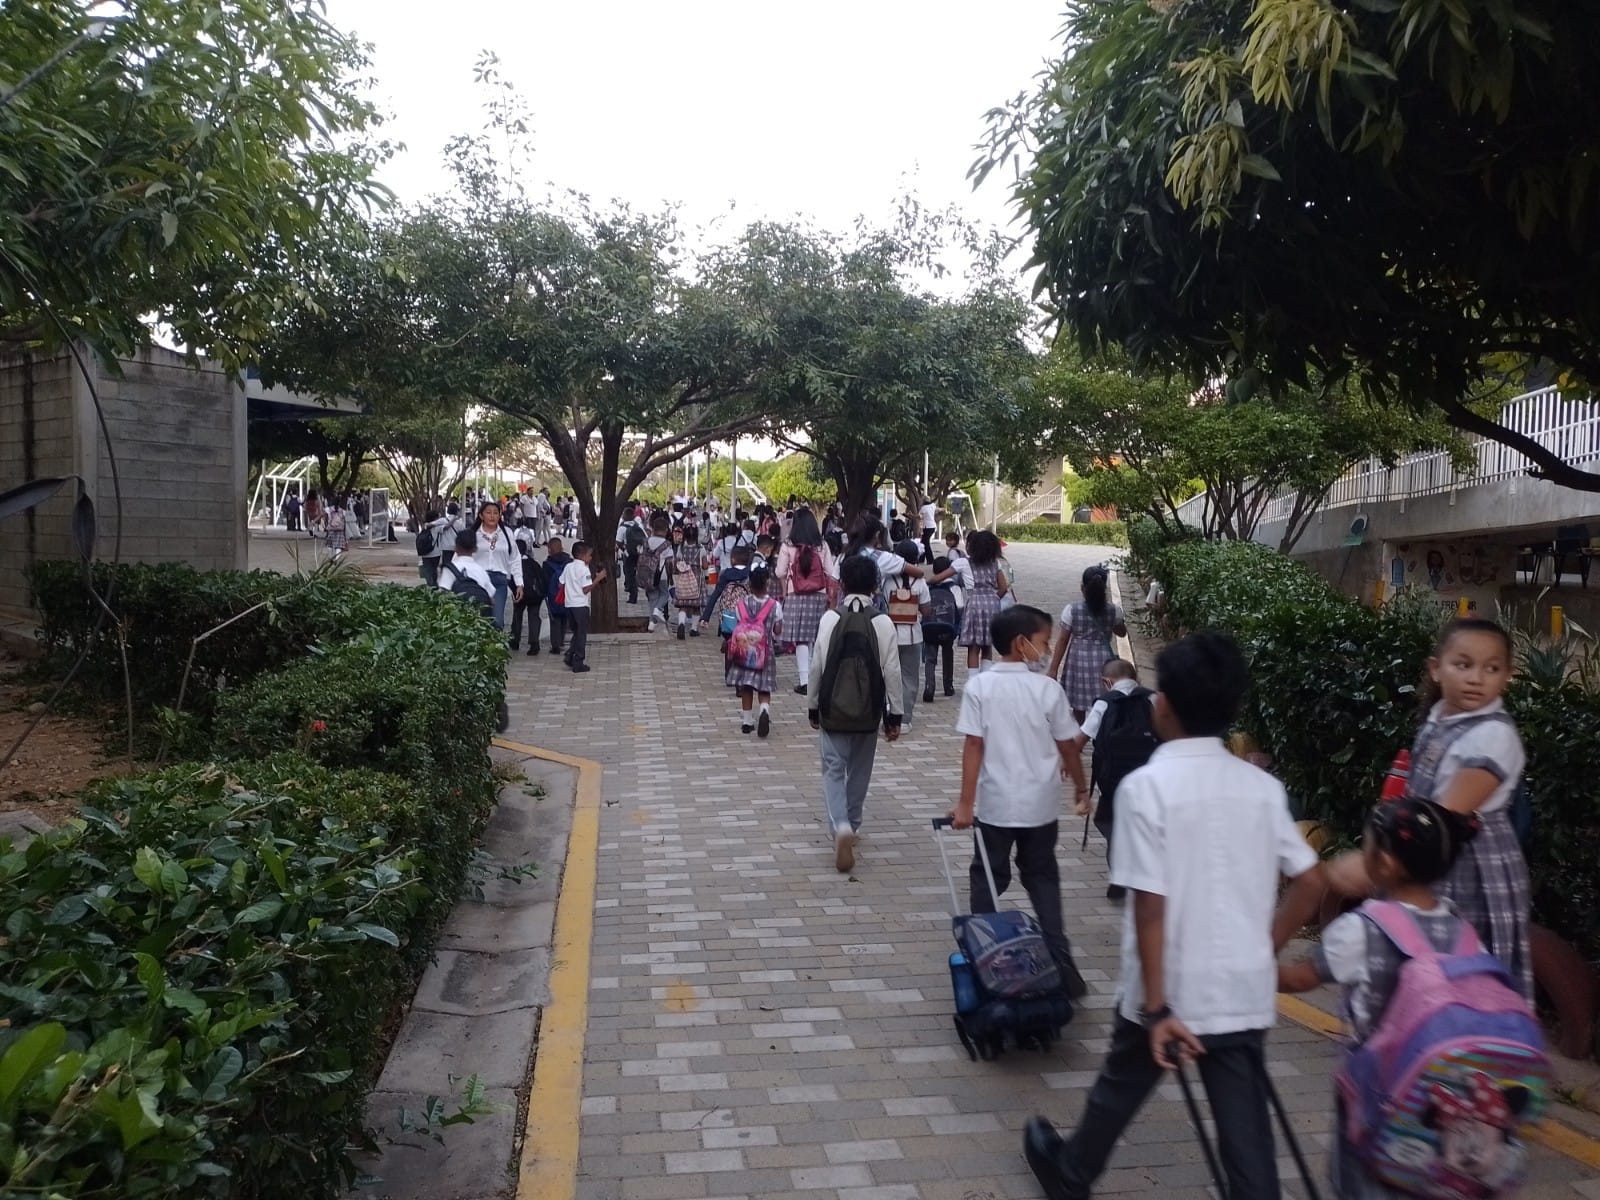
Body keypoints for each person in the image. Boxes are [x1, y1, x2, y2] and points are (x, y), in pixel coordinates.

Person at [1023, 631, 1325, 1200]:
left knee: (1120, 1086)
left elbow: (1151, 907)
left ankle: (1071, 1172)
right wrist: (1264, 950)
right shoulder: (1262, 788)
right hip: (1239, 990)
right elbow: (1312, 880)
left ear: (1164, 705)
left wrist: (1159, 1007)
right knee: (1244, 1126)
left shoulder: (1147, 789)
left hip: (1167, 990)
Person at [1278, 797, 1482, 1200]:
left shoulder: (1365, 929)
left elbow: (1301, 979)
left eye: (1366, 844)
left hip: (1376, 1093)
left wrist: (1247, 971)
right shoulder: (1460, 926)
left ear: (1384, 865)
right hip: (1445, 1090)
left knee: (1364, 1182)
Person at [1325, 618, 1532, 1000]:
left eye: (1491, 668)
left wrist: (1372, 862)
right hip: (1423, 855)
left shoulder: (1494, 735)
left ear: (1508, 677)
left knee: (1461, 979)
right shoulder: (1440, 719)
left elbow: (1443, 816)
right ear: (1436, 669)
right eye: (1463, 664)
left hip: (1465, 867)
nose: (1476, 678)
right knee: (1419, 967)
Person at [949, 605, 1090, 998]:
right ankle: (1063, 967)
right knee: (1043, 879)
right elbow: (1068, 746)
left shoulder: (980, 687)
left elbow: (973, 746)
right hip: (1040, 807)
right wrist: (1081, 788)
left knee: (987, 877)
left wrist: (965, 804)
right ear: (1021, 643)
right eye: (1043, 642)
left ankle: (986, 959)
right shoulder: (1047, 690)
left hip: (996, 805)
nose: (1046, 650)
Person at [808, 553, 904, 874]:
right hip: (869, 711)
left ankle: (841, 825)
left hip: (833, 708)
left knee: (833, 769)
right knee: (860, 770)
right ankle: (854, 822)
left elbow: (817, 665)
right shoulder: (883, 622)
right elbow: (892, 672)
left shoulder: (830, 619)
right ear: (876, 585)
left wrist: (812, 705)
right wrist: (895, 715)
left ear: (843, 584)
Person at [1076, 658, 1157, 901]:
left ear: (1106, 682)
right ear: (1136, 678)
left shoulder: (1104, 703)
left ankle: (1120, 872)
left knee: (1111, 823)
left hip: (1113, 781)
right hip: (1149, 778)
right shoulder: (1152, 699)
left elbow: (1082, 737)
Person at [1048, 565, 1129, 723]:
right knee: (1103, 702)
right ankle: (1100, 731)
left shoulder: (1072, 610)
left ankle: (1081, 731)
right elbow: (1121, 633)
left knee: (1078, 705)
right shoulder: (1114, 611)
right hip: (1104, 663)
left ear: (1082, 588)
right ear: (1104, 589)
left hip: (1077, 661)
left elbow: (1063, 640)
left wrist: (1053, 669)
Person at [773, 507, 836, 696]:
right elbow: (830, 572)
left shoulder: (787, 545)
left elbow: (780, 572)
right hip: (819, 595)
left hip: (796, 595)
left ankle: (805, 681)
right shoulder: (822, 545)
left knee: (801, 639)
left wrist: (785, 588)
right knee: (816, 637)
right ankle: (819, 679)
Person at [725, 566, 784, 737]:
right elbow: (777, 630)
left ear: (750, 584)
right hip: (765, 653)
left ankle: (747, 721)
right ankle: (764, 710)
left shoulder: (741, 604)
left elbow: (738, 623)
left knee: (747, 687)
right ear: (767, 583)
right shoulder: (774, 605)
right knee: (764, 687)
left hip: (744, 651)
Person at [888, 540, 933, 730]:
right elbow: (926, 610)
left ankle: (889, 714)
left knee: (889, 676)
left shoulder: (887, 579)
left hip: (889, 634)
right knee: (910, 679)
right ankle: (904, 720)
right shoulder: (920, 582)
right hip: (913, 635)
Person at [956, 529, 1008, 672]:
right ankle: (986, 676)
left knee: (973, 646)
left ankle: (973, 679)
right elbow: (1003, 588)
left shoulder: (966, 562)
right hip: (992, 605)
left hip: (974, 605)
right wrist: (994, 598)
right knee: (987, 644)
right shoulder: (995, 563)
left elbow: (943, 575)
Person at [471, 500, 523, 630]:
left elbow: (515, 558)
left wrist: (519, 583)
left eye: (495, 513)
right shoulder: (473, 534)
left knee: (497, 621)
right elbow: (461, 557)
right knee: (480, 620)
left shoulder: (507, 533)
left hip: (499, 581)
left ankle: (496, 641)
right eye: (488, 513)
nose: (492, 516)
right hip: (478, 582)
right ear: (481, 515)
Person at [559, 541, 606, 673]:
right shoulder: (584, 569)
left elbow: (561, 583)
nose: (591, 558)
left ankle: (570, 655)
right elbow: (586, 589)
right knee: (581, 634)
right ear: (583, 556)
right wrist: (598, 579)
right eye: (589, 555)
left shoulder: (568, 566)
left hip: (569, 604)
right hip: (580, 605)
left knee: (576, 632)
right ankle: (578, 661)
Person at [922, 555, 963, 703]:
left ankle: (929, 686)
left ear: (934, 570)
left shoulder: (928, 587)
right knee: (947, 654)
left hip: (930, 626)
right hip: (947, 627)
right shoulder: (954, 587)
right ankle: (948, 685)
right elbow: (960, 606)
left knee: (930, 657)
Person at [436, 529, 497, 613]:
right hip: (478, 617)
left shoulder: (449, 569)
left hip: (456, 616)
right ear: (475, 549)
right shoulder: (481, 570)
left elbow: (442, 594)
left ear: (455, 548)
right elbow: (491, 598)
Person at [509, 522, 545, 655]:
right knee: (534, 617)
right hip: (535, 596)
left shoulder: (512, 565)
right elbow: (541, 578)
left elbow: (509, 581)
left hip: (519, 595)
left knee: (517, 616)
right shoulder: (533, 563)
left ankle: (515, 640)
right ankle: (534, 643)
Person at [639, 514, 675, 633]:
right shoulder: (666, 544)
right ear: (666, 530)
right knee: (665, 594)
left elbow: (640, 554)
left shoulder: (646, 541)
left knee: (652, 597)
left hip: (647, 574)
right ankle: (657, 611)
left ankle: (651, 624)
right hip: (661, 575)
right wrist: (671, 577)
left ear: (653, 529)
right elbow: (669, 562)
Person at [668, 524, 704, 639]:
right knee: (696, 606)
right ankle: (694, 629)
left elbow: (676, 562)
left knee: (683, 604)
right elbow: (705, 565)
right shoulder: (701, 548)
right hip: (696, 579)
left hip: (684, 578)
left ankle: (681, 624)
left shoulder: (681, 548)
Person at [543, 538, 574, 657]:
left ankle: (555, 645)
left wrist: (545, 594)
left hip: (553, 596)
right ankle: (561, 641)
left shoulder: (547, 564)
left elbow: (545, 581)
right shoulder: (569, 562)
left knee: (555, 619)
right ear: (561, 547)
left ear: (549, 549)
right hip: (567, 594)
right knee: (564, 617)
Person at [616, 504, 646, 605]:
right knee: (636, 572)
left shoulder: (622, 528)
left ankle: (633, 595)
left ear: (624, 515)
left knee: (629, 574)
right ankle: (638, 588)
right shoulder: (638, 526)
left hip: (628, 554)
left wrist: (624, 549)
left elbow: (618, 541)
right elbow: (645, 539)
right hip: (639, 553)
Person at [418, 506, 450, 587]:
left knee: (428, 570)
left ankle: (430, 585)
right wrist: (454, 520)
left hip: (425, 552)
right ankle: (434, 586)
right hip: (435, 553)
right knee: (434, 570)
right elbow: (447, 526)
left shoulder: (425, 526)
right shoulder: (437, 527)